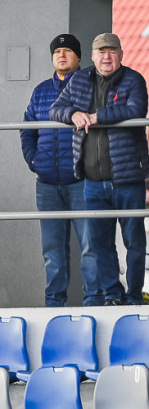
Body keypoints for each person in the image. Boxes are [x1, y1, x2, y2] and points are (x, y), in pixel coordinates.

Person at [50, 32, 149, 305]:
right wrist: (72, 114)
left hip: (128, 179)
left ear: (121, 55)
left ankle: (134, 295)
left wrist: (98, 116)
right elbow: (55, 109)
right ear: (92, 57)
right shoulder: (80, 80)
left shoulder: (133, 79)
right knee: (99, 243)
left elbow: (136, 109)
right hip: (93, 180)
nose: (106, 57)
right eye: (101, 52)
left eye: (112, 51)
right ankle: (113, 295)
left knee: (135, 243)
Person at [21, 34, 97, 307]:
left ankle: (94, 301)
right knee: (52, 250)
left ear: (79, 57)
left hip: (81, 182)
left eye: (67, 51)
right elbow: (27, 128)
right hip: (47, 184)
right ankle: (54, 303)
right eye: (57, 51)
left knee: (91, 247)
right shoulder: (41, 90)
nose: (62, 55)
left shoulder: (91, 87)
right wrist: (34, 161)